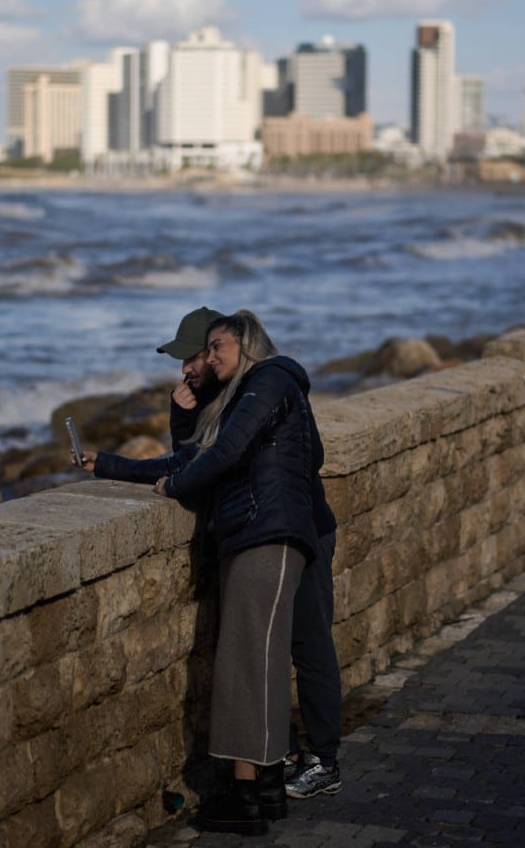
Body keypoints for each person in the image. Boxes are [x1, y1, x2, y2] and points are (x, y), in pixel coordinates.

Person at [85, 311, 340, 834]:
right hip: (264, 531)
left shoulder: (268, 379)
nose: (193, 365)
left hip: (270, 533)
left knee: (255, 661)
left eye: (213, 348)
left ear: (240, 344)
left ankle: (255, 792)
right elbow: (194, 456)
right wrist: (111, 465)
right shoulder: (241, 394)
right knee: (258, 661)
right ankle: (265, 790)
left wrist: (175, 488)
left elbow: (219, 457)